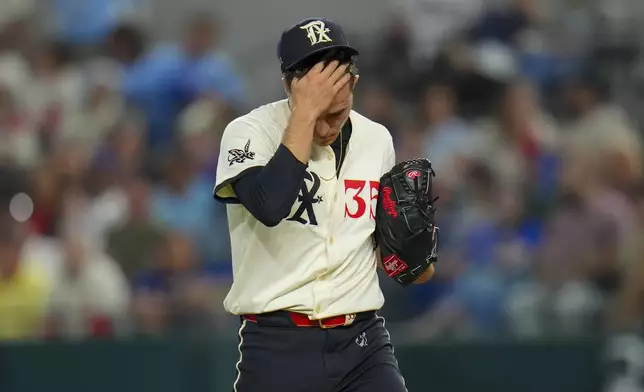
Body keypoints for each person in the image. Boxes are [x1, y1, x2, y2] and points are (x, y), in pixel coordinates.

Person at [213, 17, 433, 392]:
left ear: (354, 82)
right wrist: (304, 114)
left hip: (362, 342)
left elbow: (398, 262)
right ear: (289, 85)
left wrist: (413, 259)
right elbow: (270, 206)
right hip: (277, 344)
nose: (328, 123)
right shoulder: (249, 132)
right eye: (319, 104)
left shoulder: (376, 139)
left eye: (337, 110)